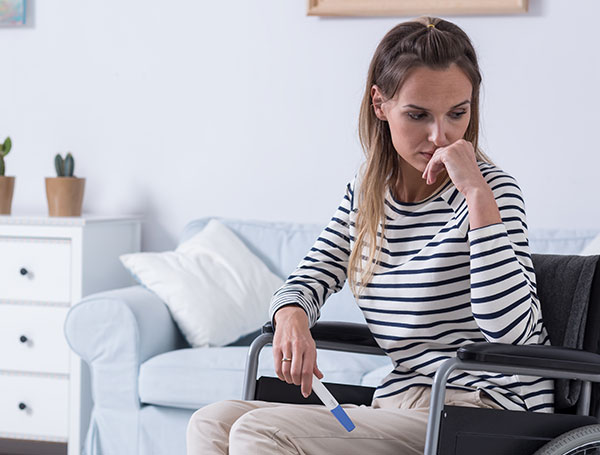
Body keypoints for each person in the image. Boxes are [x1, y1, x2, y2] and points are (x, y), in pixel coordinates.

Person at [186, 15, 554, 455]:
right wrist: (291, 318)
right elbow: (308, 278)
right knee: (213, 423)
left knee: (260, 433)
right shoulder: (367, 195)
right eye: (418, 115)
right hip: (398, 404)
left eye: (458, 113)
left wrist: (476, 194)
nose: (440, 136)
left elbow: (511, 332)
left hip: (483, 409)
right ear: (380, 105)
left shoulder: (492, 193)